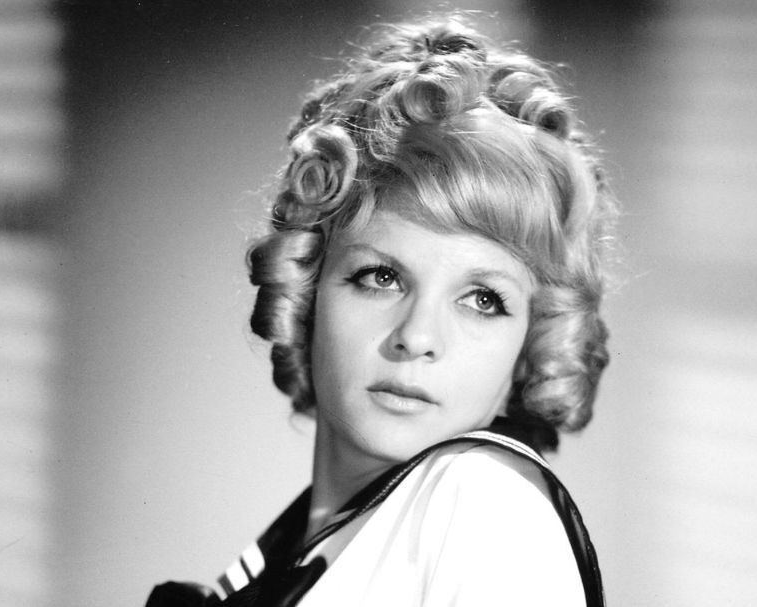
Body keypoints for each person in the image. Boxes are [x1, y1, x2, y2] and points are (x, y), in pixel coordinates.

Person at [147, 14, 616, 607]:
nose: (417, 337)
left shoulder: (481, 503)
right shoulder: (301, 544)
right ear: (310, 290)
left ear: (529, 347)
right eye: (382, 277)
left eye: (483, 300)